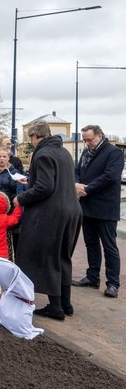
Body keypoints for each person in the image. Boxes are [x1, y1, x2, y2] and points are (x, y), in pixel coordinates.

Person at [14, 122, 82, 320]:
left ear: (35, 136)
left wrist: (21, 198)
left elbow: (45, 187)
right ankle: (66, 304)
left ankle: (55, 307)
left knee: (48, 257)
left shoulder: (42, 154)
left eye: (30, 139)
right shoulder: (63, 153)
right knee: (63, 256)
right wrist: (31, 181)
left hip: (52, 213)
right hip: (72, 210)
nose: (31, 143)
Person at [72, 124, 124, 298]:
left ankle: (113, 284)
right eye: (85, 140)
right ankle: (92, 277)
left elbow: (110, 176)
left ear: (100, 135)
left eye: (90, 139)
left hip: (105, 207)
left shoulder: (114, 153)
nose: (87, 143)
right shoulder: (86, 152)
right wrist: (76, 184)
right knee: (91, 244)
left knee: (109, 246)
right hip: (87, 206)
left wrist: (87, 189)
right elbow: (77, 170)